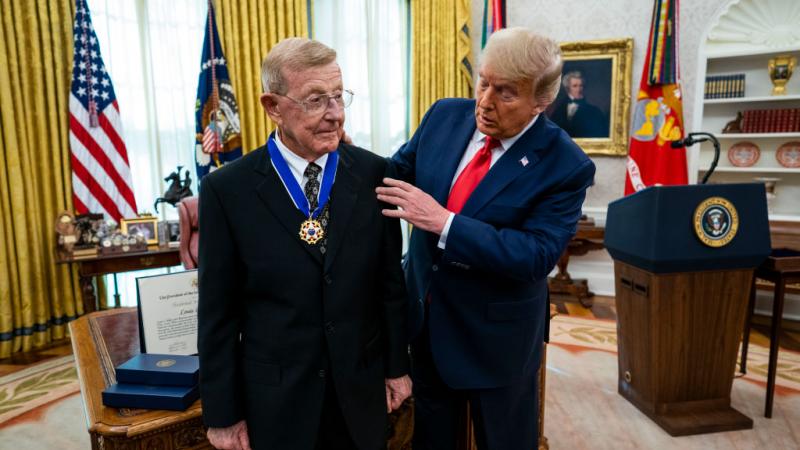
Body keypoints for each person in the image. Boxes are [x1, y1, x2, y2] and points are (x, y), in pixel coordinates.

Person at [376, 28, 595, 450]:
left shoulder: (566, 164)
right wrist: (342, 158)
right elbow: (394, 173)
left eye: (506, 93)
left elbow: (535, 255)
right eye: (483, 81)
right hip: (426, 325)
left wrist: (445, 223)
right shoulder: (444, 116)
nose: (485, 101)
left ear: (541, 101)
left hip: (497, 343)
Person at [198, 37, 412, 450]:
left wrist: (397, 368)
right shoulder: (227, 190)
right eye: (316, 100)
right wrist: (223, 413)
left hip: (360, 391)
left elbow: (390, 287)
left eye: (338, 96)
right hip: (276, 398)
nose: (335, 114)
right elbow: (218, 313)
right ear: (273, 106)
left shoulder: (375, 174)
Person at [548, 70, 609, 138]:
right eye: (575, 86)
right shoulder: (558, 110)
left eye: (581, 86)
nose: (579, 89)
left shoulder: (594, 112)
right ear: (567, 88)